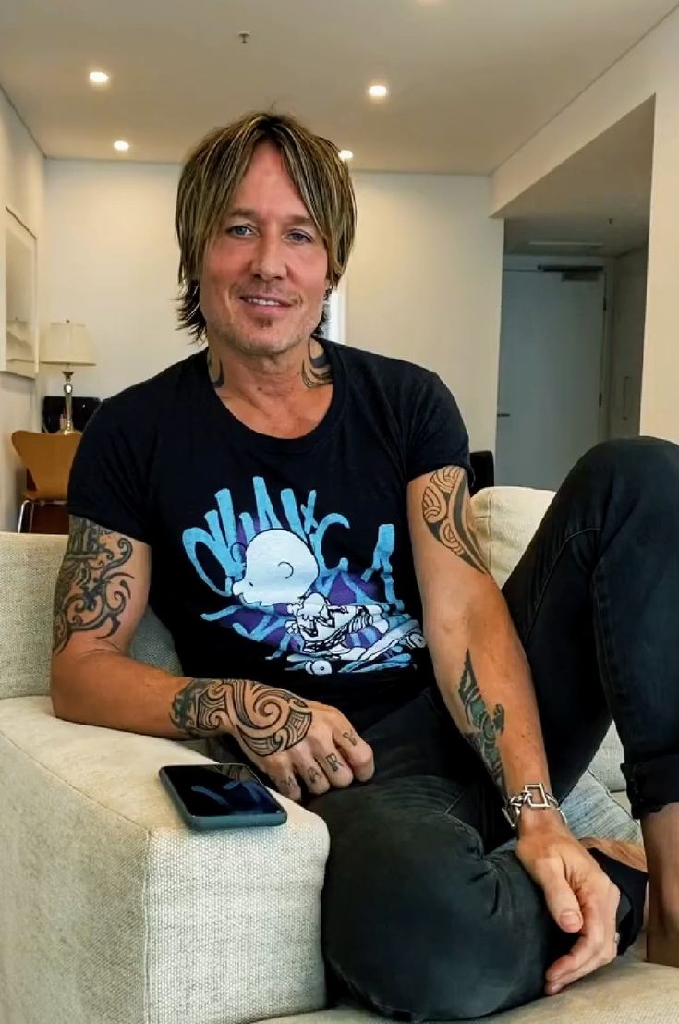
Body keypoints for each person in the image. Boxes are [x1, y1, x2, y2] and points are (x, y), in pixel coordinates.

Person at [50, 111, 678, 1021]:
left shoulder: (406, 401)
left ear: (331, 262)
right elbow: (80, 666)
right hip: (354, 768)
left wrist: (539, 814)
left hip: (482, 711)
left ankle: (673, 893)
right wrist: (237, 702)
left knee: (641, 476)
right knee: (425, 946)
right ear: (195, 250)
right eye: (239, 228)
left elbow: (463, 613)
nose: (269, 263)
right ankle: (621, 888)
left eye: (299, 234)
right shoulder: (131, 433)